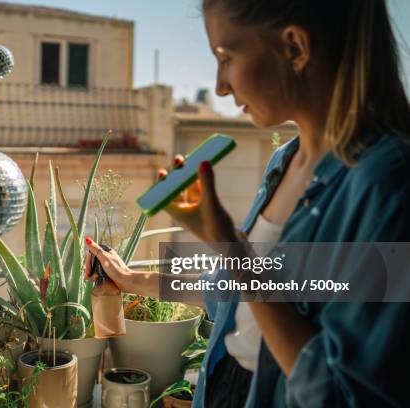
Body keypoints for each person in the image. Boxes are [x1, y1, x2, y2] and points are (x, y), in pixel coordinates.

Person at [84, 0, 410, 406]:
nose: (220, 85)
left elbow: (345, 393)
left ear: (295, 47)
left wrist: (224, 236)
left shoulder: (389, 186)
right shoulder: (283, 162)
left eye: (226, 56)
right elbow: (230, 293)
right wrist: (134, 280)